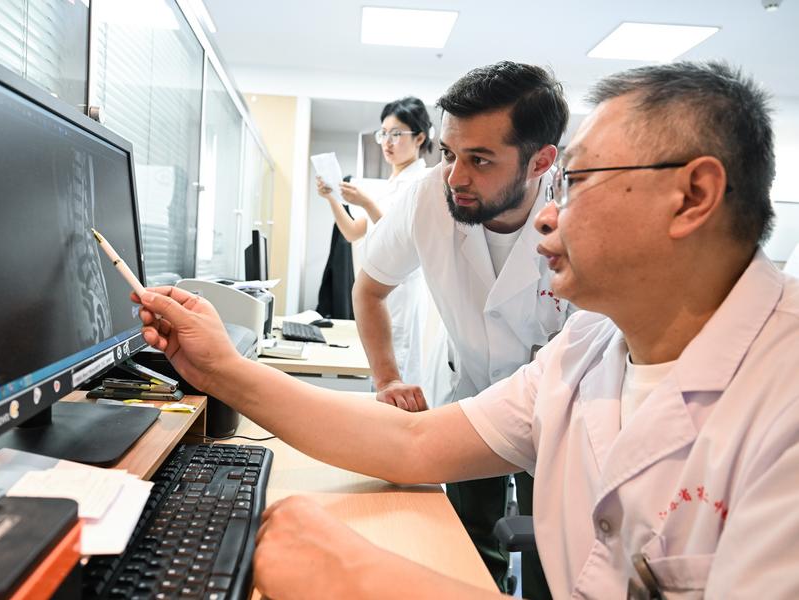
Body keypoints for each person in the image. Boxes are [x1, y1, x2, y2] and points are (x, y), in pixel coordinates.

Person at [133, 60, 799, 598]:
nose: (550, 215)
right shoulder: (590, 347)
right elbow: (414, 443)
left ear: (692, 197)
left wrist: (363, 577)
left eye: (577, 181)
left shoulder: (783, 400)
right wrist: (221, 368)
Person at [353, 62, 570, 595]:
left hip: (562, 410)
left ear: (541, 162)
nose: (455, 177)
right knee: (469, 545)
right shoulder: (429, 198)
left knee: (554, 557)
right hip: (470, 394)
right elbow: (370, 288)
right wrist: (387, 378)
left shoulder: (580, 213)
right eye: (449, 154)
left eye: (480, 159)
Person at [316, 96, 434, 387]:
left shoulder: (423, 183)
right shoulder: (388, 186)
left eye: (396, 134)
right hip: (379, 294)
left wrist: (366, 202)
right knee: (380, 374)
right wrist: (332, 198)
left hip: (402, 295)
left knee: (398, 374)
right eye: (383, 134)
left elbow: (401, 241)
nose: (387, 142)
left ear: (419, 137)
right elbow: (352, 233)